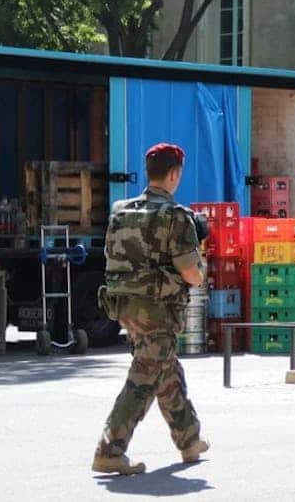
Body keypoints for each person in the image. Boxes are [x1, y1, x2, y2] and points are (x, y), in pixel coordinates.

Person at [92, 143, 209, 475]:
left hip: (123, 305)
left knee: (165, 369)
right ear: (174, 174)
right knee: (145, 376)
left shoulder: (120, 209)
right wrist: (200, 274)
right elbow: (189, 272)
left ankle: (189, 440)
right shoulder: (176, 216)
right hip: (158, 308)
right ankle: (110, 449)